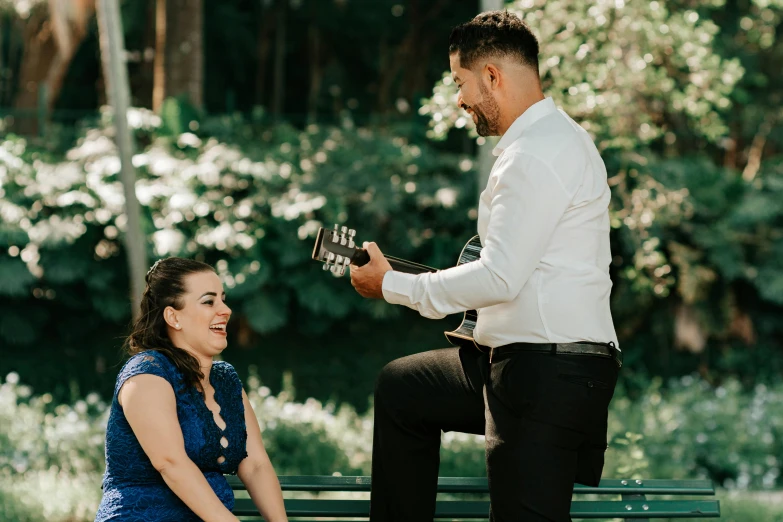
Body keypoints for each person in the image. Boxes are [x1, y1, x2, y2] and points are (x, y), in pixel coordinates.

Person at [349, 10, 621, 522]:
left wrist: (391, 286)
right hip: (523, 364)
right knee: (404, 389)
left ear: (492, 75)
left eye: (461, 82)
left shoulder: (535, 154)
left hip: (547, 373)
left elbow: (499, 276)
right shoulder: (549, 142)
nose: (459, 99)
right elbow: (517, 275)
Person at [95, 257, 288, 522]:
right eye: (209, 301)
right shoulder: (146, 374)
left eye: (223, 298)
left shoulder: (225, 379)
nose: (226, 310)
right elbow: (171, 464)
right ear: (173, 317)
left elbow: (255, 465)